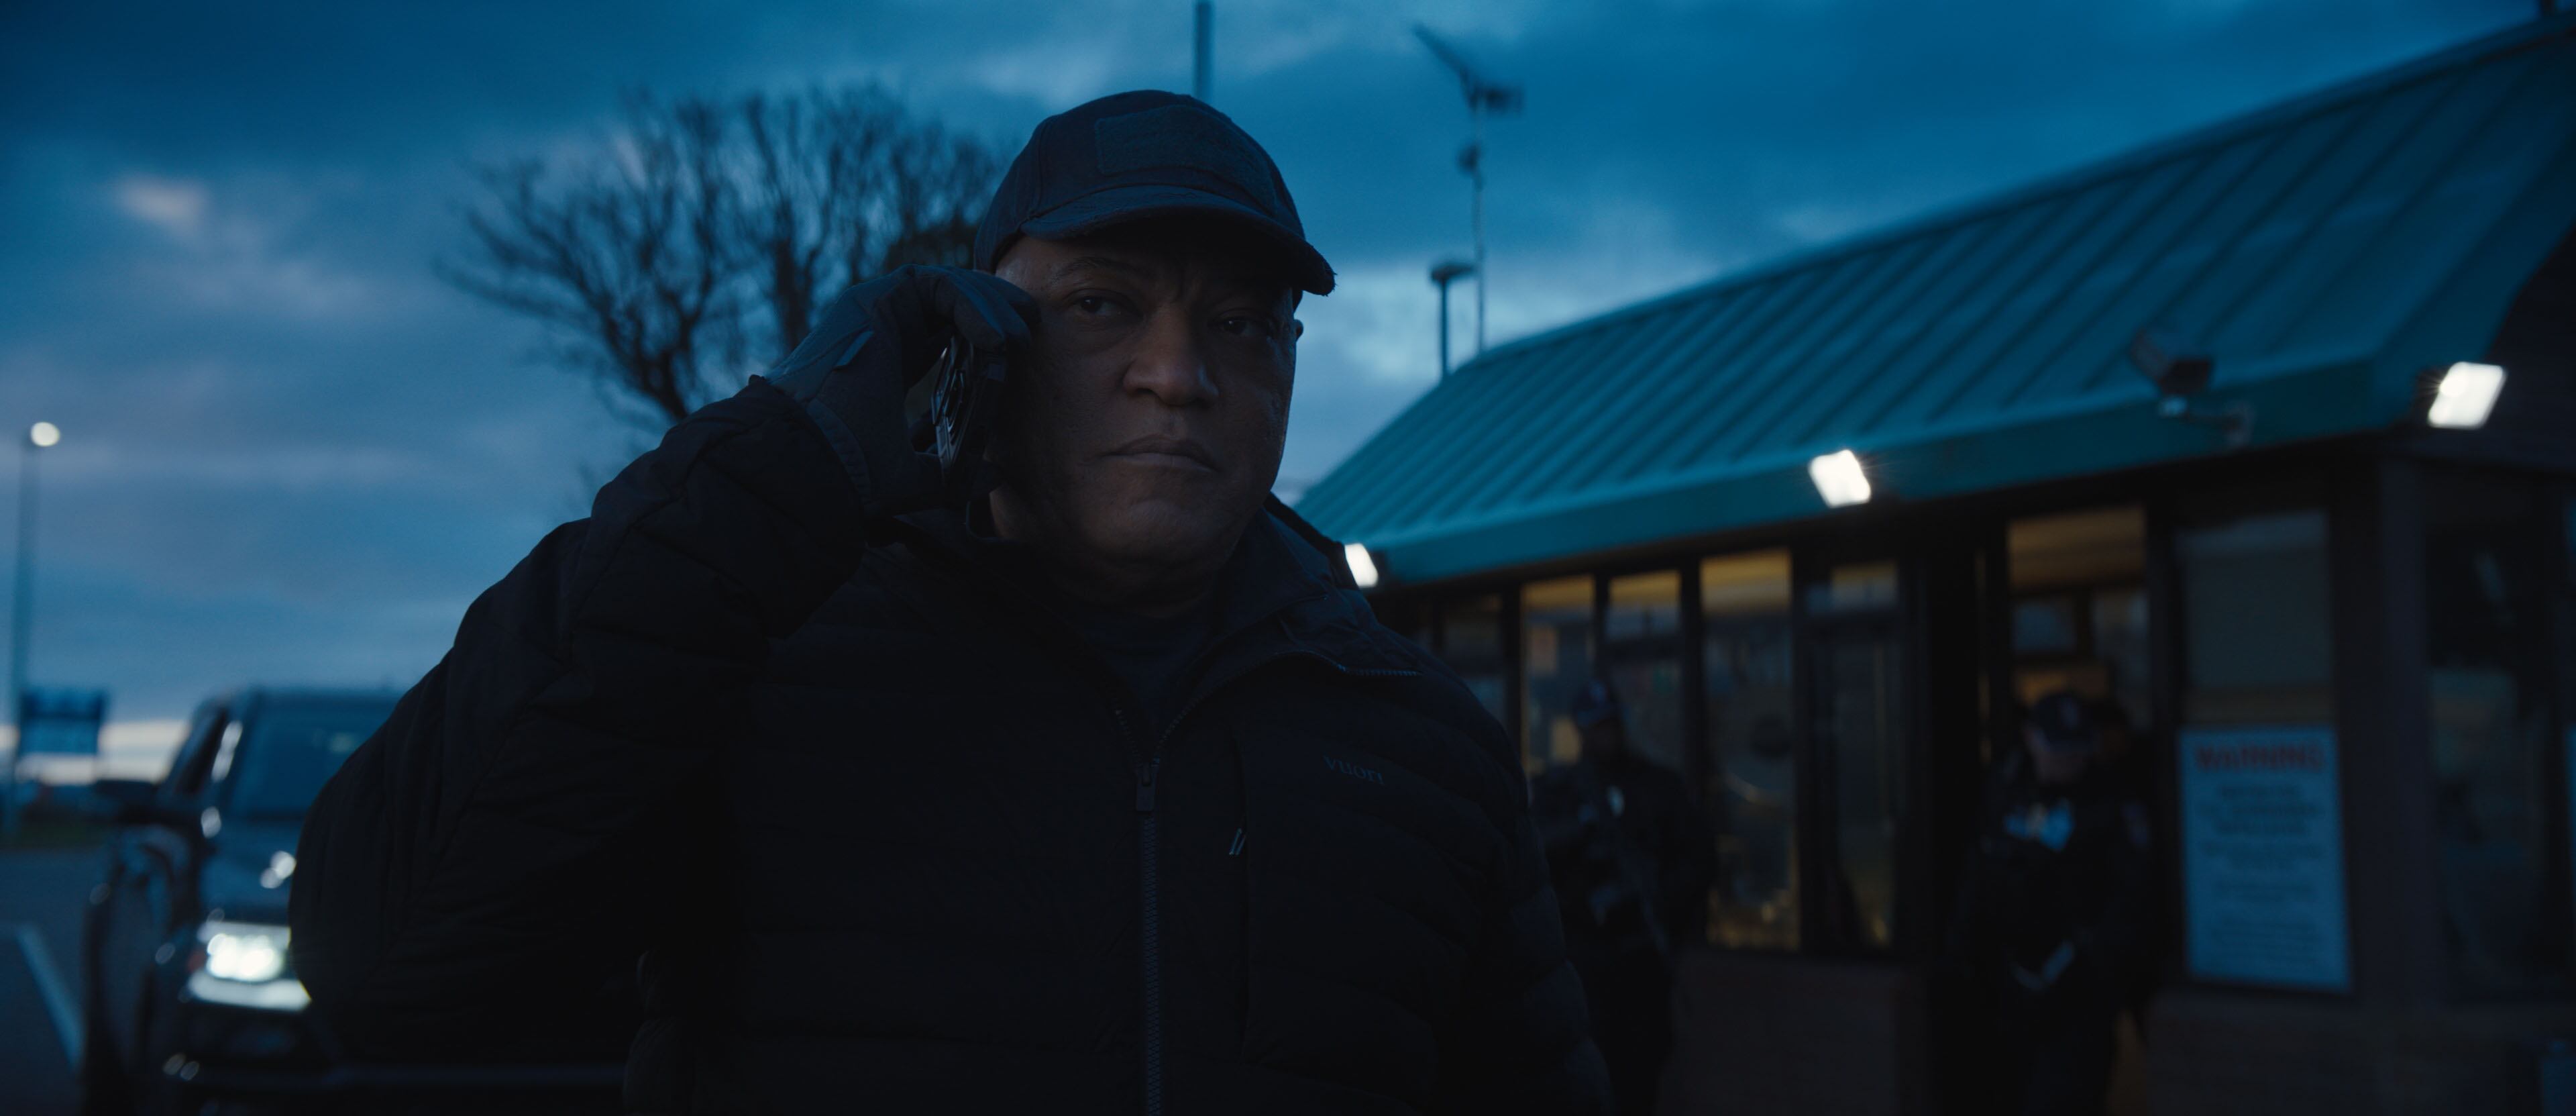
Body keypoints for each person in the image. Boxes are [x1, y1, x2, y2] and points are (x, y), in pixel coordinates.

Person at [290, 90, 1610, 1115]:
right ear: (981, 344)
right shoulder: (768, 667)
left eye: (1243, 324)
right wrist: (780, 467)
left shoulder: (1423, 745)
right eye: (1105, 305)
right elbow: (387, 963)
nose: (1179, 373)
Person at [1945, 691, 2155, 1116]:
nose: (2068, 762)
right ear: (2031, 738)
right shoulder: (2006, 788)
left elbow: (2132, 898)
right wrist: (1963, 954)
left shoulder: (2109, 801)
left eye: (2077, 751)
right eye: (2058, 750)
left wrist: (2088, 958)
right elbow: (1980, 875)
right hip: (2009, 987)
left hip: (2077, 996)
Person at [1532, 678, 1713, 1115]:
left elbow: (1697, 860)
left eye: (1611, 725)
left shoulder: (1657, 787)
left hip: (1640, 959)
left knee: (1640, 1073)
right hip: (1585, 961)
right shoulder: (1561, 789)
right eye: (1596, 727)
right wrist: (1580, 831)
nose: (1605, 735)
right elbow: (1533, 855)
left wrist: (1659, 898)